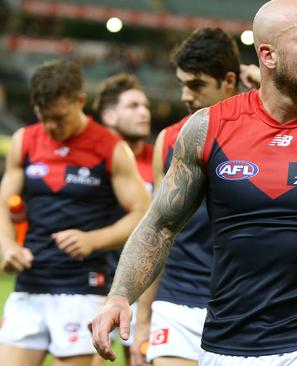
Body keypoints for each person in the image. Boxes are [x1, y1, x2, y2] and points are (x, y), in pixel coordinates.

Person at [91, 1, 297, 366]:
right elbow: (160, 225)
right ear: (268, 55)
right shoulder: (207, 128)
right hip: (223, 339)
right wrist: (120, 296)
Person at [0, 59, 150, 366]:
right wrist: (8, 246)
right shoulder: (25, 140)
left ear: (79, 101)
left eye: (59, 117)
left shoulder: (111, 148)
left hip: (83, 287)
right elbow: (3, 200)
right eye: (45, 117)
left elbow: (143, 214)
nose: (52, 126)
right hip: (30, 283)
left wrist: (94, 239)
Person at [132, 27, 241, 366]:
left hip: (242, 307)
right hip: (176, 302)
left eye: (196, 85)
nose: (185, 95)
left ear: (228, 80)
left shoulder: (267, 138)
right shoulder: (168, 140)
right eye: (182, 84)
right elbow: (157, 232)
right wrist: (144, 320)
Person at [93, 72, 154, 366]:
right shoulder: (90, 161)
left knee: (140, 358)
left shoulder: (162, 160)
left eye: (145, 105)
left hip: (145, 281)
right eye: (132, 106)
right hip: (93, 281)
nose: (144, 112)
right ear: (109, 115)